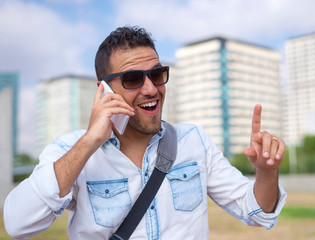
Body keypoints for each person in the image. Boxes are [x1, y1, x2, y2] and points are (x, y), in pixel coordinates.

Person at [4, 26, 287, 240]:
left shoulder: (194, 141)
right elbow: (18, 225)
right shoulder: (71, 149)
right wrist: (90, 140)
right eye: (132, 78)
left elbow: (258, 212)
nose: (151, 88)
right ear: (103, 90)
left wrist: (267, 171)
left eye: (156, 74)